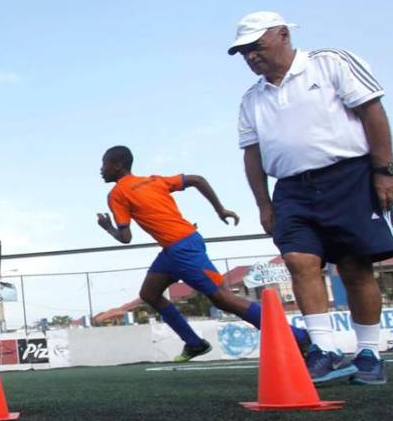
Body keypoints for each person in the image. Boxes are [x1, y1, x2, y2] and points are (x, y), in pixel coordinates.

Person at [230, 11, 393, 385]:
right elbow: (252, 154)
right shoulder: (251, 99)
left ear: (282, 35)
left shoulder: (330, 63)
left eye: (256, 47)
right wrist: (263, 204)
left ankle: (370, 353)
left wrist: (384, 170)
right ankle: (325, 351)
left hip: (350, 176)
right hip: (291, 188)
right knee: (298, 260)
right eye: (244, 53)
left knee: (356, 267)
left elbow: (372, 111)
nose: (251, 57)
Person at [96, 145, 309, 361]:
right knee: (149, 294)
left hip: (182, 249)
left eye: (104, 165)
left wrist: (108, 228)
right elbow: (197, 179)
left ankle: (299, 337)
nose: (101, 170)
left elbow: (125, 238)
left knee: (223, 299)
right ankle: (194, 343)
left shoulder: (117, 194)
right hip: (175, 248)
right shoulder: (154, 180)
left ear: (118, 166)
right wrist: (220, 209)